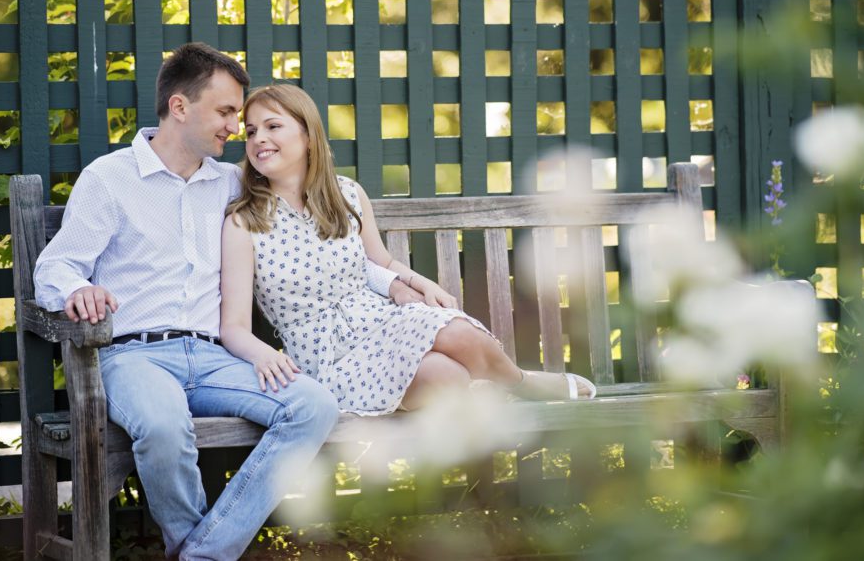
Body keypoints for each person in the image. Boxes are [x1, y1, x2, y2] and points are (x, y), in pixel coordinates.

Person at [32, 43, 406, 561]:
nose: (236, 127)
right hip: (133, 355)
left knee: (312, 406)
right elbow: (55, 267)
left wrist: (394, 280)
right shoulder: (110, 179)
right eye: (227, 112)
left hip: (215, 357)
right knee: (163, 427)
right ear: (180, 107)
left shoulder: (233, 183)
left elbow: (320, 240)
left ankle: (202, 552)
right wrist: (78, 289)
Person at [220, 83, 597, 417]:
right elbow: (234, 327)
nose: (258, 139)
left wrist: (417, 282)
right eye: (251, 131)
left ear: (307, 136)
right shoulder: (244, 223)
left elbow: (380, 261)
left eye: (272, 126)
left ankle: (521, 383)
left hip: (379, 320)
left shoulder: (346, 194)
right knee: (446, 377)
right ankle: (488, 393)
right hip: (329, 358)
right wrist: (264, 355)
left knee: (459, 331)